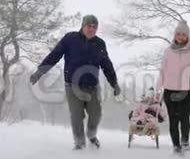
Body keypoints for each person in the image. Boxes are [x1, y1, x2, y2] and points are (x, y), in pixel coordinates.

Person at [29, 15, 121, 150]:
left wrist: (114, 83)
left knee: (96, 114)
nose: (91, 29)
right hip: (72, 86)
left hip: (92, 87)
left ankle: (91, 134)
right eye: (89, 26)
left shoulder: (99, 44)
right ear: (83, 26)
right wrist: (40, 72)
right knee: (77, 115)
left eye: (94, 27)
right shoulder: (70, 39)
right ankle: (79, 142)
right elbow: (54, 55)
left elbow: (107, 65)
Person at [157, 21, 190, 153]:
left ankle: (185, 142)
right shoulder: (168, 51)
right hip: (170, 90)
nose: (180, 37)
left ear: (187, 36)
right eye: (178, 34)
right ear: (175, 35)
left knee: (184, 117)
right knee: (173, 119)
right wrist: (158, 87)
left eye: (183, 34)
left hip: (187, 91)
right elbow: (162, 71)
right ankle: (176, 145)